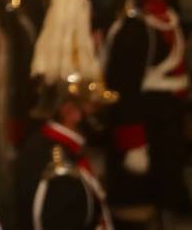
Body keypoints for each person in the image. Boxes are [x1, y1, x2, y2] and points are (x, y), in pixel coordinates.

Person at [102, 0, 192, 226]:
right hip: (146, 127)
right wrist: (133, 143)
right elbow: (123, 87)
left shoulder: (158, 7)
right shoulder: (135, 22)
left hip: (163, 127)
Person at [15, 74, 119, 230]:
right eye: (94, 106)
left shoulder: (66, 148)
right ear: (69, 111)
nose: (99, 112)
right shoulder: (57, 160)